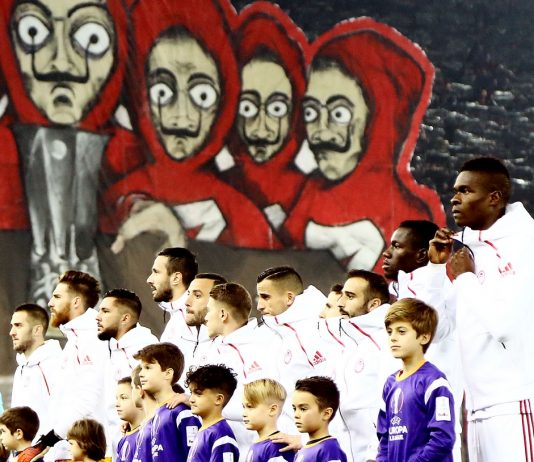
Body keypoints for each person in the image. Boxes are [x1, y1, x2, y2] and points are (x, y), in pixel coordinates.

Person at [105, 0, 281, 251]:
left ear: (225, 100)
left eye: (201, 96)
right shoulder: (117, 197)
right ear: (139, 96)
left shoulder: (239, 211)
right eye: (162, 92)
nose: (182, 115)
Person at [284, 18, 445, 271]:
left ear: (377, 119)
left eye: (339, 114)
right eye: (311, 112)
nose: (319, 131)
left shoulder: (412, 217)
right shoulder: (307, 194)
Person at [428, 156, 534, 462]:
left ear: (494, 198)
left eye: (465, 190)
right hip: (475, 408)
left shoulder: (525, 242)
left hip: (516, 402)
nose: (454, 198)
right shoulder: (470, 251)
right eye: (454, 191)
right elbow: (438, 330)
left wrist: (466, 278)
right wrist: (436, 271)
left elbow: (505, 327)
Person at [220, 2, 308, 230]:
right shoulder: (218, 183)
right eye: (247, 108)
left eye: (276, 109)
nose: (261, 128)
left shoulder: (309, 191)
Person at [382, 221, 463, 461]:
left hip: (431, 427)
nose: (387, 253)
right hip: (401, 424)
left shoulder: (439, 288)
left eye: (396, 246)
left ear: (420, 255)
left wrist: (436, 270)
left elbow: (434, 333)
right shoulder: (405, 290)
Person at [202, 282, 281, 455]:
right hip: (221, 448)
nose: (205, 317)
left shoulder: (260, 346)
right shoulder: (213, 347)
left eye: (208, 311)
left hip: (253, 450)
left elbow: (263, 403)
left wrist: (206, 405)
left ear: (223, 314)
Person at [326, 270, 393, 462]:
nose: (341, 303)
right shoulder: (344, 344)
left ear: (373, 305)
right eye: (342, 295)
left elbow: (394, 406)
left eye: (350, 296)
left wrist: (375, 455)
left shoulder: (387, 342)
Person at [377, 299, 455, 462]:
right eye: (390, 332)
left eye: (401, 331)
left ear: (424, 337)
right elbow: (384, 439)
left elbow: (442, 439)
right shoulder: (390, 384)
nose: (393, 338)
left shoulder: (434, 381)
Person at [46, 270, 109, 460]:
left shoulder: (94, 337)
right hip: (67, 451)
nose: (50, 303)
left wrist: (49, 440)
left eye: (57, 296)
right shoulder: (74, 340)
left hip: (89, 453)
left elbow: (87, 401)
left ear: (76, 302)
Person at [134, 343, 202, 462]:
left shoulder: (182, 412)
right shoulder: (156, 415)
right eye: (141, 368)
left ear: (168, 373)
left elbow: (197, 456)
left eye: (148, 368)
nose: (141, 374)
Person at [10, 304, 61, 438]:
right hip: (24, 449)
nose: (12, 332)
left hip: (48, 449)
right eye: (12, 326)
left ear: (37, 330)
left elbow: (64, 415)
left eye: (18, 325)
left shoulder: (54, 365)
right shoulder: (20, 368)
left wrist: (46, 447)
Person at [185, 364, 240, 462]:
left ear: (218, 399)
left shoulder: (222, 436)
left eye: (198, 393)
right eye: (191, 393)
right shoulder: (204, 431)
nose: (191, 399)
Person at [147, 247, 198, 346]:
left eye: (156, 272)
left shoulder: (192, 319)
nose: (149, 280)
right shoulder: (178, 316)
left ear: (176, 278)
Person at [182, 273, 227, 382]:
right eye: (188, 294)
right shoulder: (187, 340)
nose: (187, 302)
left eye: (197, 296)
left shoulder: (228, 347)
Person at [292, 377, 347, 461]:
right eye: (294, 409)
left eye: (303, 409)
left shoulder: (329, 450)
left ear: (326, 414)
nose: (296, 415)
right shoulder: (301, 452)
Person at [243, 379, 295, 462]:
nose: (244, 414)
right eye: (244, 407)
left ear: (272, 410)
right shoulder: (256, 445)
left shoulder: (276, 447)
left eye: (250, 406)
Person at [130, 365, 158, 462]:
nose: (131, 392)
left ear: (140, 390)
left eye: (132, 387)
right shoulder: (146, 423)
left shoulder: (156, 423)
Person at [116, 377, 144, 462]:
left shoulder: (148, 434)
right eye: (116, 398)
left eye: (123, 398)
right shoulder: (122, 441)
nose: (117, 404)